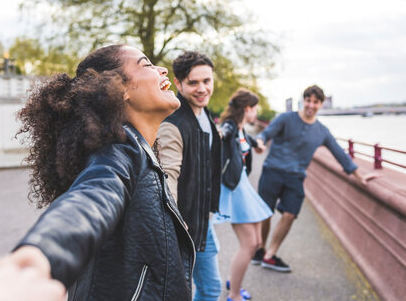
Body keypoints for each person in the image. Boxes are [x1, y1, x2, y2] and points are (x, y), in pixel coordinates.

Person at [0, 45, 195, 301]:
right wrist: (37, 260)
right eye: (146, 65)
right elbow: (91, 199)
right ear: (119, 89)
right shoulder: (121, 152)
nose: (162, 69)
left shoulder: (139, 149)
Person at [252, 85, 378, 272]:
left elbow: (340, 154)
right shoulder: (286, 118)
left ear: (321, 104)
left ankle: (270, 255)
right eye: (308, 100)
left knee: (290, 214)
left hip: (296, 177)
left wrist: (359, 176)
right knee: (264, 213)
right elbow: (265, 134)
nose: (311, 105)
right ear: (304, 101)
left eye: (316, 102)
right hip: (273, 171)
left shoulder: (322, 131)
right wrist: (260, 143)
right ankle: (259, 249)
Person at [157, 51, 222, 301]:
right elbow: (168, 176)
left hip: (203, 219)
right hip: (185, 224)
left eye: (207, 81)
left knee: (207, 288)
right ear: (179, 84)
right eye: (193, 82)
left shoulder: (204, 115)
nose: (202, 88)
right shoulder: (173, 124)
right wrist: (173, 219)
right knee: (205, 290)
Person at [214, 89, 273, 301]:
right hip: (234, 190)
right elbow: (222, 133)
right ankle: (234, 294)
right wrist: (216, 135)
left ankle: (233, 280)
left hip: (243, 187)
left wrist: (257, 144)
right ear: (247, 108)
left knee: (256, 242)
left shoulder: (241, 130)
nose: (256, 112)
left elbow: (248, 140)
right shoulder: (230, 125)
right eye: (255, 108)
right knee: (249, 244)